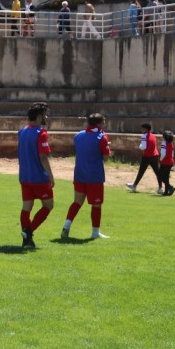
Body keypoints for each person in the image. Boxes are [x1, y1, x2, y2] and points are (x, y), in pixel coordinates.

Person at [62, 113, 112, 240]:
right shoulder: (102, 137)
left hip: (79, 174)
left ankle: (66, 225)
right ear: (99, 123)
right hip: (94, 176)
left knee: (77, 202)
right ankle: (95, 232)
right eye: (103, 122)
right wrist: (107, 148)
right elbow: (105, 156)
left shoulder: (78, 135)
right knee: (96, 204)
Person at [18, 102, 55, 250]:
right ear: (40, 117)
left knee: (27, 206)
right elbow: (43, 157)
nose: (46, 117)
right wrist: (51, 176)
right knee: (48, 205)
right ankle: (28, 231)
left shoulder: (22, 132)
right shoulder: (41, 133)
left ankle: (27, 241)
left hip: (25, 176)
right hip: (39, 177)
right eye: (45, 114)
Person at [127, 122, 160, 193]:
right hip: (155, 156)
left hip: (147, 156)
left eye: (142, 128)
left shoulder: (144, 136)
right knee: (157, 172)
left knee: (141, 172)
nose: (141, 130)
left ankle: (134, 185)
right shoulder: (153, 136)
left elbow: (143, 147)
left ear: (145, 129)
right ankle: (160, 187)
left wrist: (140, 146)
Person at [157, 129, 175, 197]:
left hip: (165, 162)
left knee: (160, 176)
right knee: (166, 176)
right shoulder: (171, 144)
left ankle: (170, 187)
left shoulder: (164, 143)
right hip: (170, 161)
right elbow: (172, 154)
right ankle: (166, 191)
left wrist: (160, 160)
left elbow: (163, 154)